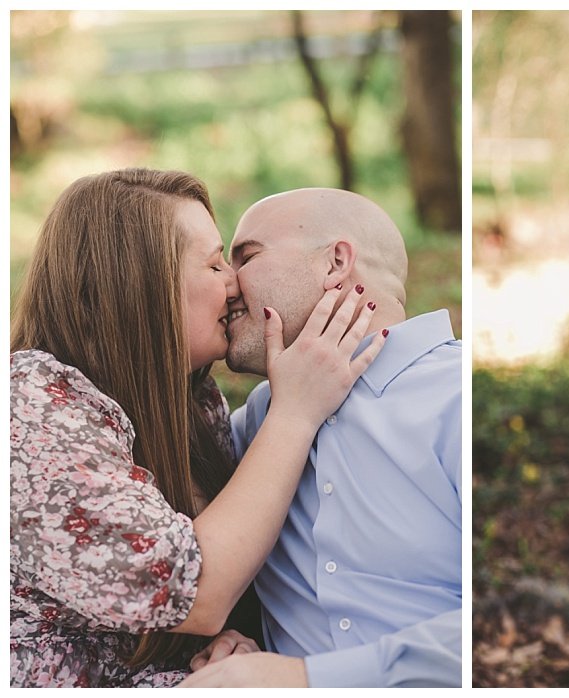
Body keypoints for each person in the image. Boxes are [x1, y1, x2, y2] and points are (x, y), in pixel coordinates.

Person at [9, 169, 384, 687]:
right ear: (136, 280)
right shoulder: (30, 411)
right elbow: (195, 591)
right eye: (214, 264)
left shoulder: (191, 397)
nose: (235, 285)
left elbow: (218, 585)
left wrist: (223, 643)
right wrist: (296, 412)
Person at [178, 188, 462, 688]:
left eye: (246, 257)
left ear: (336, 262)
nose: (227, 284)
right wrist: (240, 642)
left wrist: (307, 678)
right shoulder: (255, 425)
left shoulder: (458, 397)